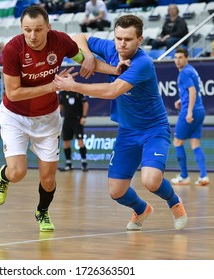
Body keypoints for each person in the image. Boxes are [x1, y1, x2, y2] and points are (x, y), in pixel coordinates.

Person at [54, 14, 188, 231]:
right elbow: (78, 36)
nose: (122, 44)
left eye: (128, 39)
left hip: (154, 130)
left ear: (140, 40)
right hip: (127, 131)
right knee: (116, 191)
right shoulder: (111, 49)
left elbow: (112, 90)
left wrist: (74, 86)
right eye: (118, 38)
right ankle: (141, 209)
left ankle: (175, 202)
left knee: (151, 180)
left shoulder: (143, 63)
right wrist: (87, 56)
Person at [0, 5, 118, 232]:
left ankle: (42, 211)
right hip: (15, 116)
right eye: (27, 30)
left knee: (48, 180)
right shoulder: (13, 49)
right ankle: (4, 176)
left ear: (48, 27)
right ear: (21, 28)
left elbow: (83, 59)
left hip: (47, 118)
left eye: (38, 29)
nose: (32, 36)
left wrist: (114, 70)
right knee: (17, 173)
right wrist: (51, 85)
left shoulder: (60, 41)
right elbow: (13, 93)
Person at [170, 48, 210, 187]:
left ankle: (184, 176)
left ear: (186, 58)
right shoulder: (191, 70)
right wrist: (182, 100)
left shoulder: (185, 73)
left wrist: (189, 111)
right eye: (176, 57)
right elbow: (193, 91)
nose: (177, 60)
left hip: (190, 111)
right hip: (200, 110)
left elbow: (192, 91)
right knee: (195, 144)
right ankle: (204, 176)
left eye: (181, 57)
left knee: (177, 142)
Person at [59, 90, 89, 172]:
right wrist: (57, 116)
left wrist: (84, 116)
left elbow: (85, 104)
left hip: (77, 119)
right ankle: (68, 164)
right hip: (67, 120)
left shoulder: (78, 91)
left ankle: (84, 163)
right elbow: (60, 106)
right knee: (66, 142)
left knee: (80, 141)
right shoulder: (62, 93)